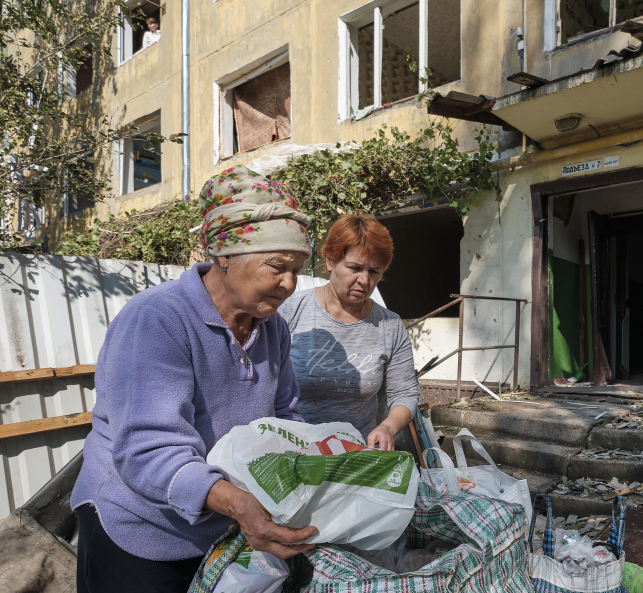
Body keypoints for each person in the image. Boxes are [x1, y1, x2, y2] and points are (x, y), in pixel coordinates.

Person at [71, 165, 318, 593]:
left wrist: (312, 466)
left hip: (224, 524)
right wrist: (237, 503)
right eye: (277, 266)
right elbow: (148, 450)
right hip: (143, 526)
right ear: (224, 255)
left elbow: (283, 416)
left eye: (297, 269)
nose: (289, 284)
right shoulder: (158, 318)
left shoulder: (272, 327)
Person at [279, 213, 418, 451]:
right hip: (294, 449)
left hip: (356, 452)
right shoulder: (290, 311)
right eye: (354, 268)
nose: (364, 280)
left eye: (374, 271)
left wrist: (387, 427)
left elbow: (405, 393)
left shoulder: (390, 325)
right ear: (330, 262)